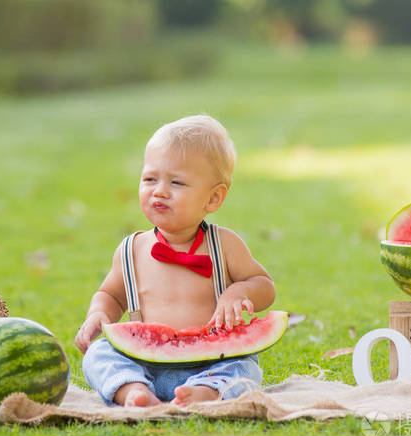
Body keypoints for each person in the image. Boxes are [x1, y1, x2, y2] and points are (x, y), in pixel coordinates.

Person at [75, 115, 275, 407]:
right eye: (150, 179)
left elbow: (265, 286)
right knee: (99, 354)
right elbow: (110, 294)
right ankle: (133, 391)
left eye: (177, 182)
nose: (160, 191)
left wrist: (239, 292)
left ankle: (205, 393)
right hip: (142, 363)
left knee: (244, 367)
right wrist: (99, 314)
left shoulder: (225, 245)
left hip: (212, 363)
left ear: (213, 199)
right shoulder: (131, 249)